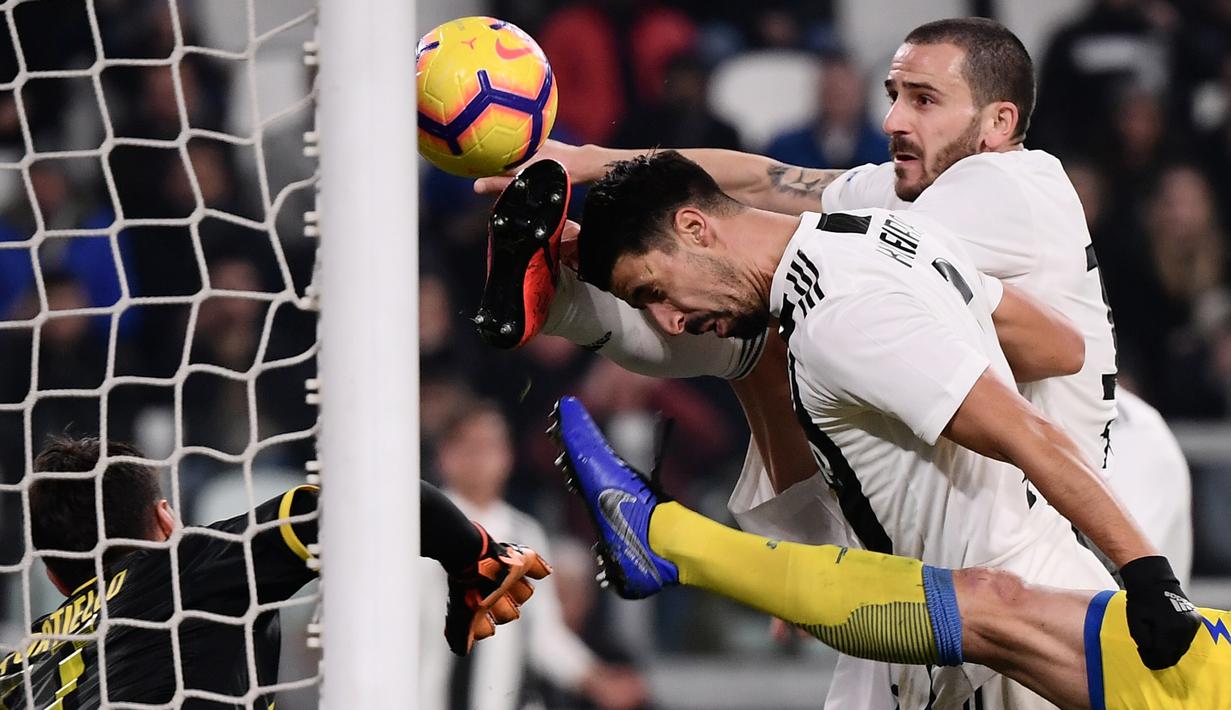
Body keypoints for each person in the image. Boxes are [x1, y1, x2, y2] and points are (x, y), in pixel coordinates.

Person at [473, 18, 1180, 707]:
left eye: (923, 99)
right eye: (893, 94)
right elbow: (771, 183)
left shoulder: (999, 194)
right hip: (971, 527)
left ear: (997, 123)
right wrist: (598, 161)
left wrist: (1148, 573)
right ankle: (573, 313)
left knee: (775, 326)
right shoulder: (898, 219)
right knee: (770, 322)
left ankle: (670, 527)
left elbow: (1049, 366)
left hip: (1076, 514)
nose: (894, 119)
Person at [567, 150, 1200, 708]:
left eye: (652, 289)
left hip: (1003, 652)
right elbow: (1058, 345)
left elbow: (1027, 434)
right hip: (1010, 613)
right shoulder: (883, 236)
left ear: (694, 227)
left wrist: (1149, 576)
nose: (668, 321)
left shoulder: (841, 318)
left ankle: (666, 539)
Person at [550, 394, 1229, 710]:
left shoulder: (1139, 436)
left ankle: (666, 541)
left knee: (997, 608)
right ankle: (664, 540)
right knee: (994, 605)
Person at [0, 436, 550, 708]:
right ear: (166, 520)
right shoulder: (179, 571)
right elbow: (368, 497)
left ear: (52, 576)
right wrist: (474, 556)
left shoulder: (15, 672)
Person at [418, 400, 647, 710]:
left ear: (508, 456)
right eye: (471, 445)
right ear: (447, 456)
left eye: (492, 445)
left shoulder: (523, 534)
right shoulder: (419, 526)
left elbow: (544, 635)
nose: (482, 458)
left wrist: (597, 679)